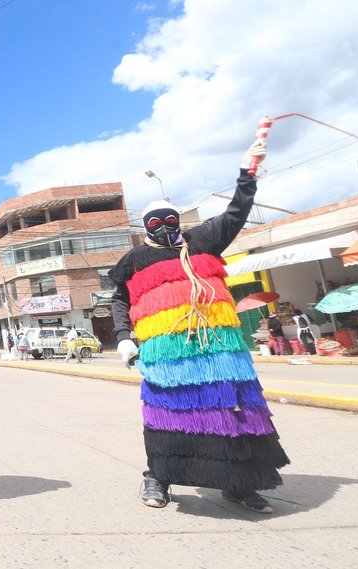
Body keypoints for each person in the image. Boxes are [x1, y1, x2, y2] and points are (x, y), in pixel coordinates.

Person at [109, 134, 289, 513]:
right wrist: (125, 338)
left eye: (169, 219)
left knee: (232, 410)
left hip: (219, 349)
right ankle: (158, 477)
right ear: (145, 226)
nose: (164, 226)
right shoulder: (135, 259)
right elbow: (120, 301)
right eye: (155, 221)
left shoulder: (204, 240)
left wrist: (247, 174)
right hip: (167, 354)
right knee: (167, 414)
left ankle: (240, 483)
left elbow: (237, 213)